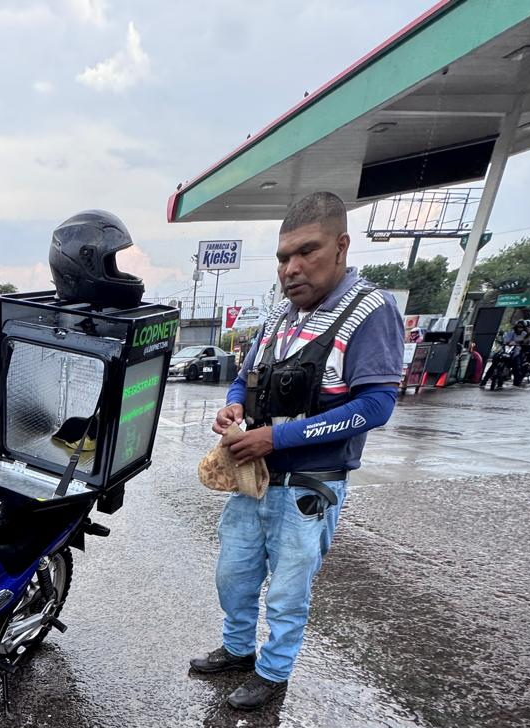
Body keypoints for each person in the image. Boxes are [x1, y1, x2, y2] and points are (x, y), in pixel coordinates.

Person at [189, 192, 404, 711]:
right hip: (252, 479)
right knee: (234, 576)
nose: (293, 267)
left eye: (307, 251)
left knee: (288, 593)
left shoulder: (372, 311)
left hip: (309, 487)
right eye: (284, 257)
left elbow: (376, 405)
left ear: (342, 246)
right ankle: (239, 650)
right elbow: (244, 379)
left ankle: (273, 672)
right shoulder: (278, 319)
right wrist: (233, 411)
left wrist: (277, 437)